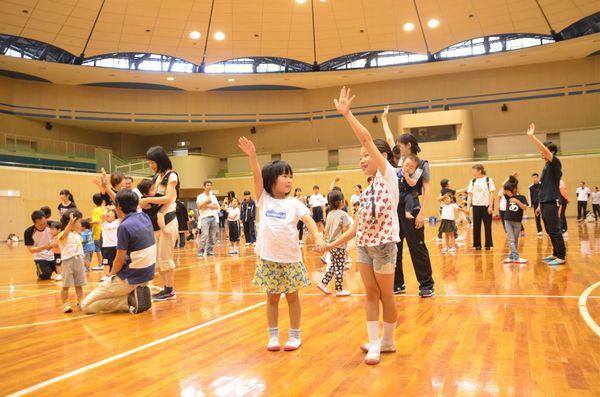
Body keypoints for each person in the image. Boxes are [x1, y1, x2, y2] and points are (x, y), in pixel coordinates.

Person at [325, 87, 399, 365]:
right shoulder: (366, 191)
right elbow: (357, 226)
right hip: (365, 247)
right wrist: (333, 244)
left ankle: (388, 340)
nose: (362, 159)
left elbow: (366, 138)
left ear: (380, 156)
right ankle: (375, 342)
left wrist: (347, 114)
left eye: (365, 155)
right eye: (360, 157)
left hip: (384, 246)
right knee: (370, 293)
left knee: (386, 294)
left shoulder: (388, 175)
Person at [238, 136, 325, 353]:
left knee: (293, 297)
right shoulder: (263, 199)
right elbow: (256, 177)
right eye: (284, 176)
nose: (289, 180)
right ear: (271, 180)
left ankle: (295, 334)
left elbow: (309, 220)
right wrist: (252, 156)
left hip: (291, 259)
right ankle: (273, 335)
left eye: (290, 177)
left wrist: (318, 237)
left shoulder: (294, 203)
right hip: (268, 258)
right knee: (272, 298)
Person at [381, 105, 434, 297]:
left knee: (417, 246)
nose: (396, 145)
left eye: (400, 144)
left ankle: (426, 284)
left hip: (413, 208)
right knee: (396, 247)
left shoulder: (422, 164)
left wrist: (421, 213)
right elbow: (388, 138)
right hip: (395, 208)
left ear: (408, 146)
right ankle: (398, 283)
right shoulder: (397, 160)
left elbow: (427, 189)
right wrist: (385, 118)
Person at [81, 189, 155, 314]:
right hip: (147, 274)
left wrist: (110, 277)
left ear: (118, 206)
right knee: (102, 298)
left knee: (86, 305)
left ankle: (129, 301)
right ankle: (133, 296)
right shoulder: (144, 216)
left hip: (131, 277)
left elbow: (119, 259)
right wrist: (107, 187)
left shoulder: (124, 226)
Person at [139, 146, 180, 302]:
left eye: (153, 162)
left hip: (168, 220)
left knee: (165, 258)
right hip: (156, 222)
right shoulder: (156, 177)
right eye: (149, 163)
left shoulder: (172, 176)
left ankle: (169, 290)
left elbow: (168, 198)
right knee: (159, 258)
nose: (151, 166)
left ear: (160, 160)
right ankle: (166, 288)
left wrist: (148, 200)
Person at [527, 123, 566, 265]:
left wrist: (532, 137)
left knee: (555, 229)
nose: (541, 151)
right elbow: (543, 188)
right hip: (544, 203)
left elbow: (544, 149)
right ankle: (555, 254)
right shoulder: (545, 167)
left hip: (551, 201)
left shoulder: (555, 162)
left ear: (551, 152)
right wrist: (539, 206)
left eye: (544, 150)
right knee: (549, 229)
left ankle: (561, 256)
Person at [316, 189, 352, 297]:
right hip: (339, 245)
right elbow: (346, 230)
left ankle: (323, 283)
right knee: (340, 266)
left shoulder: (330, 214)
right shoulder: (343, 214)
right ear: (341, 201)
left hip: (331, 245)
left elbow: (326, 230)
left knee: (333, 266)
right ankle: (339, 289)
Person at [56, 210, 86, 313]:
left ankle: (81, 301)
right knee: (65, 285)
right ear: (71, 222)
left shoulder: (77, 235)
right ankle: (65, 303)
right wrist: (70, 223)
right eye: (79, 221)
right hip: (67, 261)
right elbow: (64, 235)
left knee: (79, 284)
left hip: (79, 260)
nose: (81, 224)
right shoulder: (62, 234)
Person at [467, 164, 496, 250]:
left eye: (474, 170)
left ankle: (488, 244)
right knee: (476, 226)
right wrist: (468, 206)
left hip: (486, 206)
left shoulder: (488, 179)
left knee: (487, 226)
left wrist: (490, 206)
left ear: (479, 171)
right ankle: (477, 245)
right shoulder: (472, 181)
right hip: (476, 206)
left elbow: (491, 193)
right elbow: (469, 194)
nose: (472, 172)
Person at [24, 210, 58, 280]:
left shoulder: (53, 225)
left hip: (55, 255)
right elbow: (31, 250)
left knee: (65, 272)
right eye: (40, 224)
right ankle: (42, 270)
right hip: (40, 257)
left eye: (44, 223)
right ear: (34, 223)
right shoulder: (28, 232)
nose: (43, 226)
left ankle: (50, 268)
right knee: (44, 275)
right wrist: (45, 247)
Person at [502, 182, 529, 265]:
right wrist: (511, 178)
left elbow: (525, 208)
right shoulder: (507, 196)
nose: (506, 193)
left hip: (517, 221)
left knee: (515, 240)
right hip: (507, 220)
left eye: (508, 191)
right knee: (511, 239)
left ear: (514, 190)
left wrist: (517, 201)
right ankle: (516, 258)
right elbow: (502, 186)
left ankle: (511, 256)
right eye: (506, 191)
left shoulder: (522, 197)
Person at [196, 180, 220, 257]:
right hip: (204, 218)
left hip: (213, 217)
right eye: (207, 185)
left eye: (210, 185)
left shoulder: (213, 196)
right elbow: (199, 206)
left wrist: (206, 205)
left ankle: (210, 251)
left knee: (212, 237)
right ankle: (200, 251)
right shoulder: (200, 196)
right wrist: (207, 201)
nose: (209, 186)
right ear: (204, 187)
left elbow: (216, 207)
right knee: (204, 235)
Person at [100, 209, 119, 282]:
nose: (108, 214)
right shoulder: (103, 223)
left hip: (116, 245)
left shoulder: (116, 222)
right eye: (108, 213)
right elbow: (103, 216)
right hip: (106, 246)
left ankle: (115, 274)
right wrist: (107, 210)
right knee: (106, 261)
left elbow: (121, 216)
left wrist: (114, 208)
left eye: (111, 213)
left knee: (115, 261)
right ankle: (106, 275)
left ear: (115, 216)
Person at [90, 193, 105, 271]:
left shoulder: (95, 210)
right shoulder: (104, 208)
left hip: (97, 232)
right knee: (103, 248)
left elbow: (96, 221)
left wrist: (89, 222)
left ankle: (100, 264)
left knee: (98, 249)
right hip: (104, 231)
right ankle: (104, 263)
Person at [528, 173, 544, 237]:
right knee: (537, 217)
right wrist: (530, 204)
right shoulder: (530, 187)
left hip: (543, 203)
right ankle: (539, 231)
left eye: (535, 177)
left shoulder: (542, 184)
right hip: (535, 203)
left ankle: (549, 231)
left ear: (538, 177)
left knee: (545, 217)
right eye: (533, 177)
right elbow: (529, 196)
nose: (534, 179)